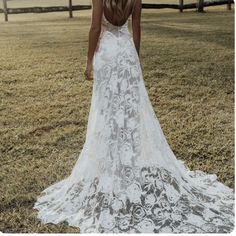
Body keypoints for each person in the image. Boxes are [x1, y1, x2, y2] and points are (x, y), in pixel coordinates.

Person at [34, 0, 234, 233]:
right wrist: (134, 59)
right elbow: (136, 28)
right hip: (126, 52)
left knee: (107, 111)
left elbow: (95, 28)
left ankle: (112, 166)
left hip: (107, 53)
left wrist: (89, 61)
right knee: (129, 112)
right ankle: (126, 162)